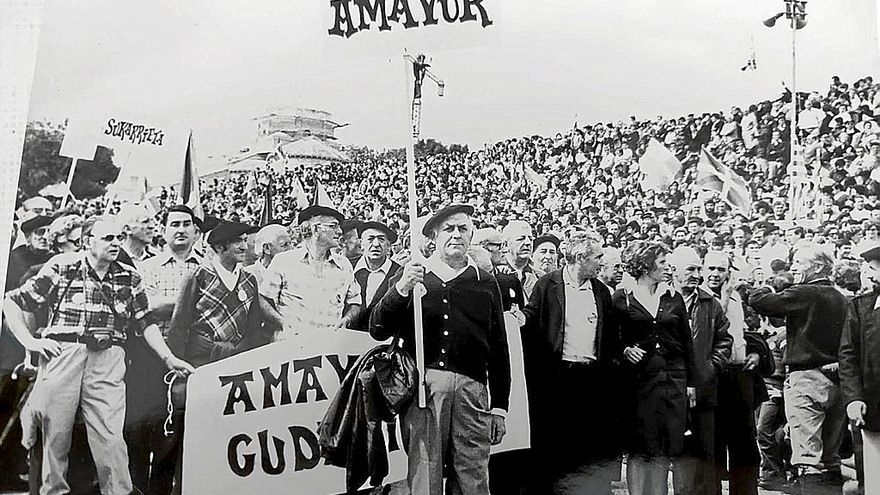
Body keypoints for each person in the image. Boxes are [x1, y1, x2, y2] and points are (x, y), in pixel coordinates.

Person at [2, 215, 193, 495]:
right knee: (56, 437)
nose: (115, 244)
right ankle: (53, 492)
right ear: (87, 241)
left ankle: (118, 492)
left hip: (108, 357)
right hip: (64, 352)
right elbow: (12, 301)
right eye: (107, 238)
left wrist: (168, 358)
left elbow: (146, 322)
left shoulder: (129, 275)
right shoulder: (62, 267)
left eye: (118, 237)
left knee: (110, 437)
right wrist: (30, 342)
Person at [370, 204, 510, 495]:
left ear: (472, 235)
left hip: (472, 392)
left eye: (463, 229)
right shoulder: (414, 276)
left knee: (472, 474)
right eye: (449, 229)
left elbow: (499, 346)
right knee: (425, 472)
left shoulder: (485, 282)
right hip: (424, 389)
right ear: (433, 236)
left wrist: (499, 407)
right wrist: (402, 289)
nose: (456, 235)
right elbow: (377, 328)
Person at [521, 230, 620, 493]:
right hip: (557, 378)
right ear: (579, 257)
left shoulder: (600, 291)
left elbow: (608, 336)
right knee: (555, 446)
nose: (601, 262)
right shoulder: (547, 285)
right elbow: (532, 317)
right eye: (597, 257)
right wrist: (519, 318)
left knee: (586, 445)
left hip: (590, 378)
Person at [749, 244, 849, 494]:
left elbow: (757, 300)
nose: (794, 269)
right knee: (830, 457)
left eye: (799, 264)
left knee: (807, 457)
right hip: (836, 378)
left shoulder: (805, 292)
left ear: (816, 267)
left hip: (806, 378)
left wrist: (772, 283)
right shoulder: (840, 296)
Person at [126, 205, 203, 495]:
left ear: (196, 231)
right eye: (174, 224)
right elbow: (149, 307)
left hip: (191, 356)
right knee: (143, 429)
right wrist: (191, 300)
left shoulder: (206, 267)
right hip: (152, 356)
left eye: (187, 224)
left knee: (178, 434)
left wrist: (169, 302)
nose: (181, 229)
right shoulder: (146, 268)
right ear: (165, 229)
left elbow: (161, 304)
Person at [612, 240, 696, 495]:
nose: (667, 267)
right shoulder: (621, 297)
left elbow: (686, 342)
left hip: (671, 382)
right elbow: (609, 339)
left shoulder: (673, 297)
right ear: (645, 266)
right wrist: (624, 350)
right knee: (639, 447)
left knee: (663, 447)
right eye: (661, 262)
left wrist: (690, 383)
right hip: (637, 384)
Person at [668, 247, 732, 495]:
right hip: (671, 391)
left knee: (703, 458)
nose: (697, 275)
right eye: (691, 269)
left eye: (698, 269)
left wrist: (707, 369)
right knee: (676, 457)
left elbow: (724, 341)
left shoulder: (709, 303)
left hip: (704, 392)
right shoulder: (662, 299)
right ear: (673, 270)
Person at [703, 250, 765, 495]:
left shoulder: (738, 298)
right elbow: (710, 329)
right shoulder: (699, 297)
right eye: (711, 269)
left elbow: (743, 333)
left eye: (720, 269)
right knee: (713, 444)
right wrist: (726, 296)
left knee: (746, 445)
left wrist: (756, 352)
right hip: (714, 376)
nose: (715, 274)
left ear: (729, 272)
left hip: (739, 375)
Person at [167, 220, 266, 367]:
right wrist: (179, 364)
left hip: (239, 360)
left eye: (245, 240)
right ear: (220, 247)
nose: (244, 246)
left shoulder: (250, 279)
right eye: (238, 241)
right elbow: (179, 326)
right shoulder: (198, 275)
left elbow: (254, 327)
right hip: (202, 361)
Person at [259, 206, 361, 342]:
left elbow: (355, 302)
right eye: (333, 226)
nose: (340, 231)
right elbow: (263, 299)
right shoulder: (284, 261)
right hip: (289, 347)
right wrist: (282, 323)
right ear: (315, 229)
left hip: (328, 348)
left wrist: (346, 319)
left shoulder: (344, 265)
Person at [839, 243, 880, 495]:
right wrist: (853, 398)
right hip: (874, 410)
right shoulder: (861, 307)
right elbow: (848, 355)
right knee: (875, 482)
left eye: (874, 268)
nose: (870, 273)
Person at [350, 221, 401, 331]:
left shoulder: (399, 273)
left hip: (385, 341)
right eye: (370, 239)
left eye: (381, 239)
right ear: (361, 244)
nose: (376, 244)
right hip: (348, 338)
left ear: (388, 246)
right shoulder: (347, 268)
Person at [501, 220, 542, 300]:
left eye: (530, 239)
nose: (528, 243)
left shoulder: (540, 277)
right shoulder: (496, 274)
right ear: (505, 245)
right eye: (521, 239)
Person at [117, 203, 157, 269]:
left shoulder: (157, 257)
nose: (152, 226)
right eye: (145, 222)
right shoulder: (114, 259)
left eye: (152, 221)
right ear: (128, 229)